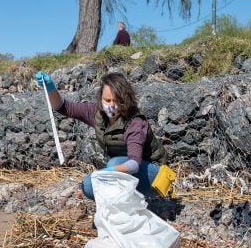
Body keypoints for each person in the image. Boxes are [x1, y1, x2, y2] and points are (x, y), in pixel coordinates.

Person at [36, 70, 168, 201]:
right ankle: (123, 209)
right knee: (89, 185)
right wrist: (50, 88)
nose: (111, 106)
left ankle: (135, 202)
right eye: (107, 100)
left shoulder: (135, 123)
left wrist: (108, 172)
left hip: (154, 175)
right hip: (124, 171)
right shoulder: (97, 112)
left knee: (113, 164)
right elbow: (64, 107)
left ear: (125, 100)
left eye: (116, 101)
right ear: (100, 98)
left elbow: (134, 164)